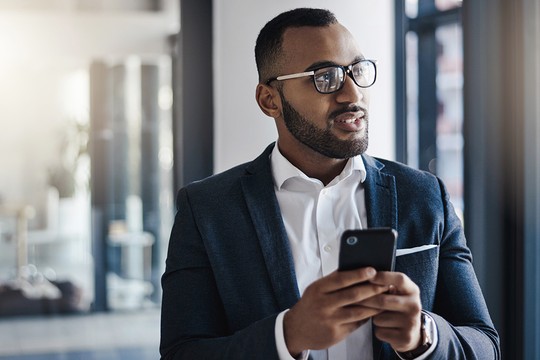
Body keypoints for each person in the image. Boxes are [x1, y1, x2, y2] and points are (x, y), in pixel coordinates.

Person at [160, 7, 500, 360]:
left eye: (357, 71)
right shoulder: (206, 210)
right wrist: (287, 335)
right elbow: (181, 353)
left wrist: (423, 336)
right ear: (269, 100)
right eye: (325, 77)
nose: (352, 94)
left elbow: (485, 345)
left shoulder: (425, 196)